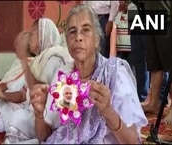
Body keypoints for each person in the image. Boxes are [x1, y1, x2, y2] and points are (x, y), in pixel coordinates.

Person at [28, 4, 148, 144]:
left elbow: (133, 141)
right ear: (66, 41)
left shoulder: (115, 74)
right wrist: (39, 115)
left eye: (86, 30)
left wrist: (108, 112)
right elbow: (45, 137)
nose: (78, 37)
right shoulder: (63, 75)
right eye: (72, 31)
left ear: (97, 40)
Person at [2, 17, 73, 143]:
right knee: (4, 105)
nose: (29, 37)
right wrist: (2, 95)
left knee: (18, 118)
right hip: (34, 109)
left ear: (43, 35)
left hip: (46, 116)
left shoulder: (54, 58)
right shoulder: (40, 59)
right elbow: (24, 94)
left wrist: (23, 58)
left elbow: (41, 93)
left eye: (33, 33)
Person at [142, 1, 172, 114]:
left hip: (167, 18)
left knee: (169, 65)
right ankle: (153, 103)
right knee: (154, 64)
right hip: (150, 18)